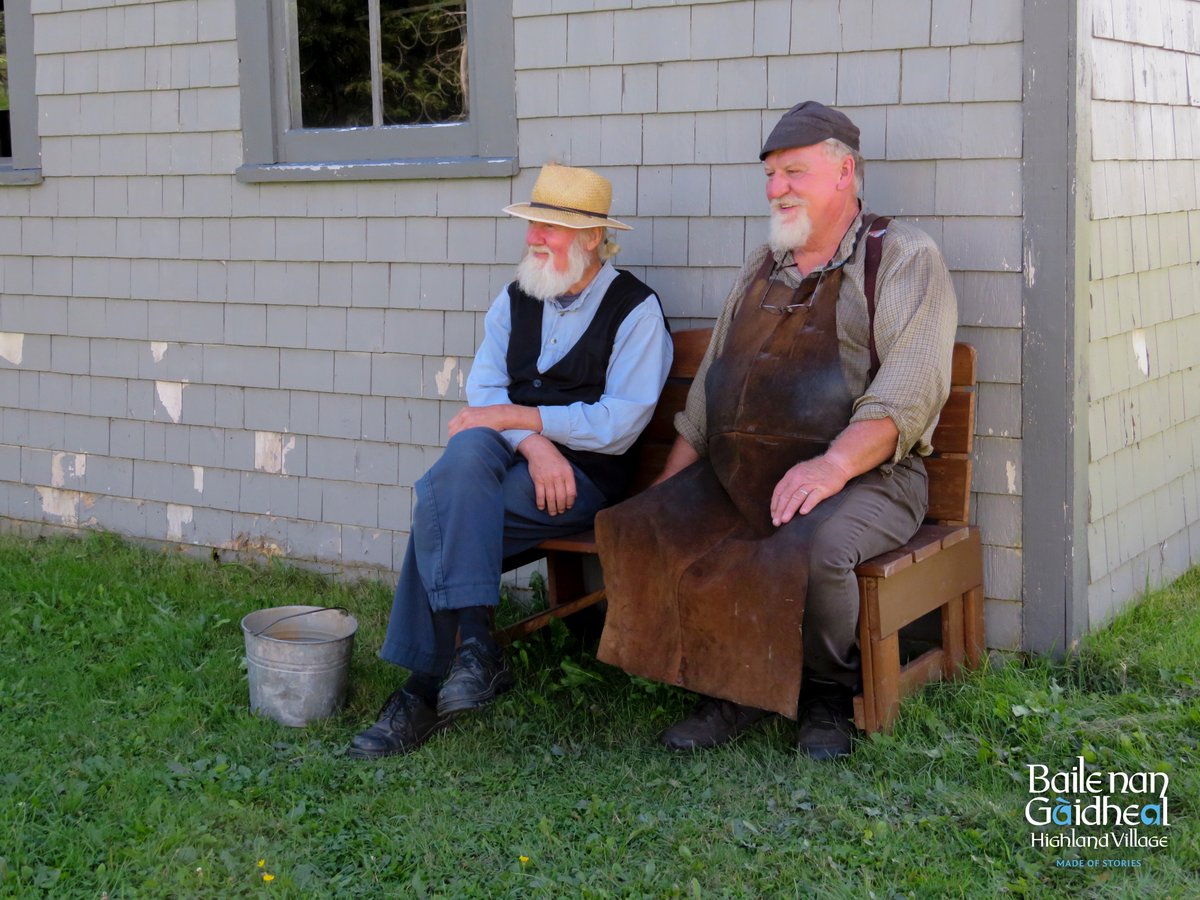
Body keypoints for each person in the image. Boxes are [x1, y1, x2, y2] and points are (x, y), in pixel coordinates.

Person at [594, 101, 958, 760]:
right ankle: (731, 687)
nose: (776, 188)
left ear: (845, 172)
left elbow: (909, 393)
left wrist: (830, 468)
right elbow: (709, 392)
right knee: (648, 524)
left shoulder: (900, 257)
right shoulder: (761, 266)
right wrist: (667, 493)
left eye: (794, 172)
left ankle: (826, 691)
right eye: (769, 175)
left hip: (870, 475)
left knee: (811, 548)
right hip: (745, 471)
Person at [349, 164, 673, 759]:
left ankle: (422, 689)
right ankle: (476, 648)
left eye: (548, 228)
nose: (532, 239)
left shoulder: (636, 310)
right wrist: (534, 441)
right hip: (516, 460)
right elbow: (486, 392)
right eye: (533, 225)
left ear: (592, 239)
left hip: (584, 479)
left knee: (439, 507)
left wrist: (526, 424)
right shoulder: (518, 295)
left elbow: (620, 424)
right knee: (468, 449)